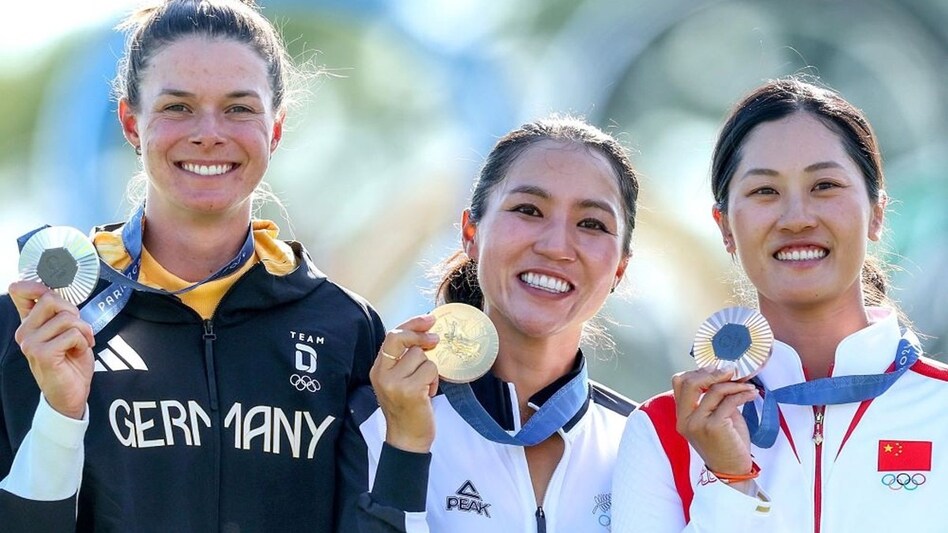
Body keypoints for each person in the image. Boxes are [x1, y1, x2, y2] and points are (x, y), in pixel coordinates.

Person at [0, 1, 382, 531]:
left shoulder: (348, 330)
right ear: (131, 123)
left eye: (239, 108)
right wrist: (61, 417)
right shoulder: (33, 324)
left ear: (276, 129)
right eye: (178, 107)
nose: (209, 133)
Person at [611, 76, 947, 532]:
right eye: (764, 191)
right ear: (725, 227)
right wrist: (730, 482)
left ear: (878, 213)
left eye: (825, 185)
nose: (797, 218)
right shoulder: (664, 431)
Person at [342, 116, 640, 532]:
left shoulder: (646, 443)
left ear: (621, 268)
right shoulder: (375, 420)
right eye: (529, 210)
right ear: (471, 233)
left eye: (591, 224)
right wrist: (406, 449)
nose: (556, 247)